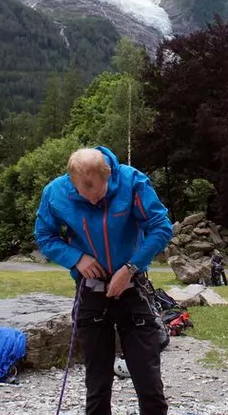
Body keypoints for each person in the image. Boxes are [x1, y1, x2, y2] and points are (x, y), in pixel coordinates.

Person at [34, 146, 172, 415]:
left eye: (100, 191)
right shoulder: (55, 192)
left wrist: (130, 268)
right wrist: (76, 258)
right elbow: (45, 237)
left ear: (108, 174)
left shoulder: (132, 181)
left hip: (132, 286)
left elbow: (161, 227)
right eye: (86, 194)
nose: (95, 200)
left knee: (147, 376)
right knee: (97, 380)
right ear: (72, 181)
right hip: (91, 290)